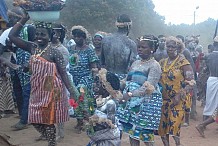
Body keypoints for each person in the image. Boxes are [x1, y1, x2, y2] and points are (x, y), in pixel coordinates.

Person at [9, 13, 79, 146]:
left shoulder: (55, 52)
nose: (39, 37)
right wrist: (24, 18)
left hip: (52, 88)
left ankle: (51, 143)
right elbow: (12, 36)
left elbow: (63, 73)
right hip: (37, 88)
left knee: (48, 120)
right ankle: (51, 139)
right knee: (33, 118)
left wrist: (73, 91)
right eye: (37, 34)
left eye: (43, 34)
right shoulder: (32, 47)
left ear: (50, 35)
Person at [117, 35, 162, 146]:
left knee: (145, 135)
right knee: (132, 133)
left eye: (144, 47)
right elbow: (127, 79)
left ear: (152, 49)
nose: (140, 49)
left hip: (146, 105)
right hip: (130, 103)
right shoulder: (136, 63)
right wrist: (115, 85)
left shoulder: (155, 65)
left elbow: (149, 87)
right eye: (139, 47)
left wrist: (131, 94)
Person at [158, 36, 194, 146]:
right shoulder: (162, 62)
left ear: (178, 48)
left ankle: (178, 144)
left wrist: (179, 95)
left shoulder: (184, 63)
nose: (170, 49)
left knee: (175, 126)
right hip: (163, 100)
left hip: (178, 101)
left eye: (173, 47)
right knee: (163, 128)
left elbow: (191, 83)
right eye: (168, 46)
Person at [68, 25, 98, 133]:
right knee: (74, 99)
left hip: (85, 78)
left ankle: (87, 121)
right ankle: (79, 121)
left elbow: (94, 67)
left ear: (84, 38)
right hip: (73, 78)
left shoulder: (89, 50)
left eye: (80, 36)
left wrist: (95, 81)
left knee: (82, 97)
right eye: (75, 36)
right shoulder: (70, 49)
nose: (77, 38)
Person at [87, 68, 122, 146]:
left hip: (107, 141)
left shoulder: (110, 103)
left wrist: (96, 120)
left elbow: (111, 124)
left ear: (105, 87)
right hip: (98, 138)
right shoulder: (99, 100)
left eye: (98, 83)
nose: (94, 85)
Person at [101, 14, 137, 79]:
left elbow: (102, 62)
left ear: (117, 26)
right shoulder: (131, 44)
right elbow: (132, 66)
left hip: (106, 77)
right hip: (122, 79)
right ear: (129, 27)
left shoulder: (105, 40)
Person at [201, 36, 218, 122]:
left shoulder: (208, 56)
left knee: (209, 102)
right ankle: (203, 124)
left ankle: (204, 123)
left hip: (211, 79)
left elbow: (205, 69)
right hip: (214, 79)